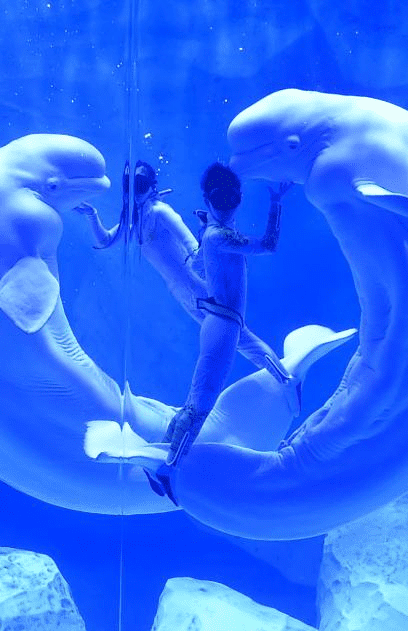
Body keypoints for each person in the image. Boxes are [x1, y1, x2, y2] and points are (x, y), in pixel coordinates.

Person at [146, 163, 290, 502]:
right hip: (223, 326)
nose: (228, 202)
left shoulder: (216, 233)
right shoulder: (220, 236)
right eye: (227, 197)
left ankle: (287, 387)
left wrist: (207, 223)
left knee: (261, 359)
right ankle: (165, 467)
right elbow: (268, 245)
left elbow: (199, 260)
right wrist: (277, 202)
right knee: (199, 404)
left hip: (225, 323)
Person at [75, 160, 291, 384]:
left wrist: (218, 269)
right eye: (129, 184)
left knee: (239, 339)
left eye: (140, 183)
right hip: (183, 294)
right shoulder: (138, 220)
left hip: (198, 290)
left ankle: (284, 379)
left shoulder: (160, 212)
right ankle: (282, 378)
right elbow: (105, 240)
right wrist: (92, 214)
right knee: (234, 342)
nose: (134, 190)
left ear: (152, 186)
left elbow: (193, 248)